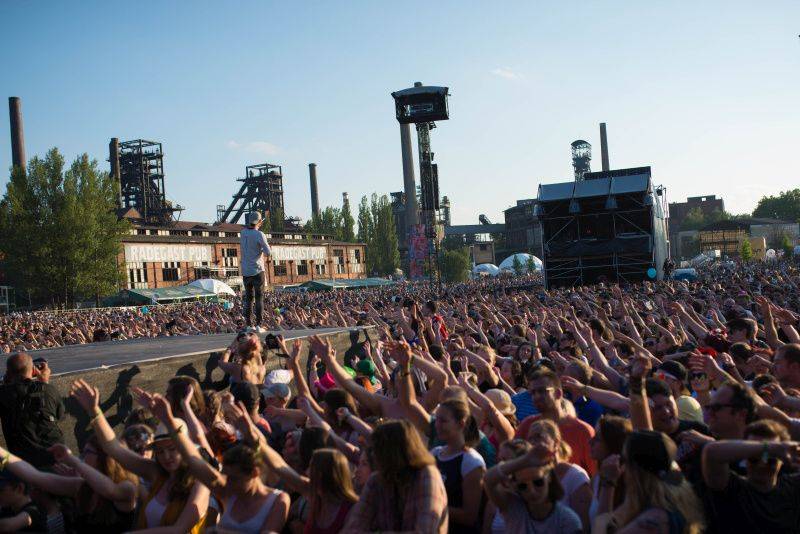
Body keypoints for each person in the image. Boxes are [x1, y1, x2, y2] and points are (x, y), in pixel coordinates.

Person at [71, 379, 210, 533]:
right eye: (160, 451)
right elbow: (113, 448)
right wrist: (95, 411)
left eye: (172, 449)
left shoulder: (200, 482)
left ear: (185, 448)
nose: (166, 456)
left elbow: (180, 529)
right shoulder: (158, 473)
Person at [150, 393, 290, 533]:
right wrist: (168, 421)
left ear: (254, 473)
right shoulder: (228, 492)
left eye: (234, 478)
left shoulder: (278, 500)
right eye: (226, 476)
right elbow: (193, 458)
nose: (227, 482)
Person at [344, 420, 449, 533]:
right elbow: (355, 525)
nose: (373, 455)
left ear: (393, 452)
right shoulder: (375, 480)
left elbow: (425, 531)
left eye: (378, 449)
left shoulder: (427, 476)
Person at [595, 430, 705, 534]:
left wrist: (608, 484)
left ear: (637, 470)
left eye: (625, 460)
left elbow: (599, 531)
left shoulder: (651, 521)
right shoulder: (676, 500)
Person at [702, 419, 800, 533]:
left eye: (770, 459)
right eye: (754, 457)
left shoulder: (793, 487)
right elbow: (711, 452)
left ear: (782, 459)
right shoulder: (732, 488)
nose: (762, 464)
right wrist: (770, 449)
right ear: (745, 455)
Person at [484, 438, 582, 533]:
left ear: (549, 478)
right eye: (523, 486)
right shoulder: (513, 508)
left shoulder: (567, 520)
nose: (532, 491)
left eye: (538, 482)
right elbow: (488, 479)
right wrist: (525, 460)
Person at [431, 397, 486, 533]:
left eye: (443, 421)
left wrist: (431, 507)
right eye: (436, 419)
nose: (437, 425)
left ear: (461, 424)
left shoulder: (471, 462)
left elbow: (469, 516)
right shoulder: (435, 453)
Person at [0, 353, 64, 468]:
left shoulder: (3, 394)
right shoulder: (49, 390)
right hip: (57, 458)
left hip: (25, 463)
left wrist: (5, 384)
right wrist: (44, 383)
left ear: (8, 373)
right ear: (34, 371)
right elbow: (59, 415)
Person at [240, 211, 271, 331]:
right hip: (257, 270)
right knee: (259, 298)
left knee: (248, 299)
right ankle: (258, 325)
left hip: (246, 271)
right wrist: (262, 249)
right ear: (259, 222)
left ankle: (248, 325)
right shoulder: (260, 234)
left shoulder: (242, 233)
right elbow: (268, 252)